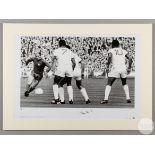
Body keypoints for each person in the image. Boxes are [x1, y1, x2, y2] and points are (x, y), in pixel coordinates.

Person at [101, 39, 132, 104]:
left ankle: (105, 99)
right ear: (118, 44)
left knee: (109, 83)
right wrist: (129, 67)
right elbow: (130, 58)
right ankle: (128, 98)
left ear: (112, 45)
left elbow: (109, 57)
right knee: (124, 83)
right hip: (123, 68)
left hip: (115, 68)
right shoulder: (123, 51)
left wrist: (107, 65)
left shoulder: (111, 50)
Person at [51, 40, 76, 104]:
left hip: (61, 68)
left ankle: (56, 99)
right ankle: (71, 99)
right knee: (69, 83)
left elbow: (53, 60)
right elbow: (74, 62)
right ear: (65, 44)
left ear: (59, 44)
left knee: (55, 82)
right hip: (69, 68)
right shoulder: (70, 51)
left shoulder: (57, 50)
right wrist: (72, 69)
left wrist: (53, 68)